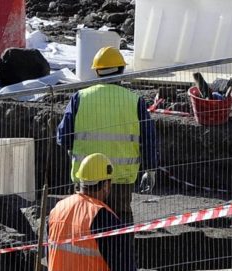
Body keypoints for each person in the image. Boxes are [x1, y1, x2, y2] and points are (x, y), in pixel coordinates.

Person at [57, 46, 158, 226]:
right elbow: (148, 138)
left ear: (97, 71)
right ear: (121, 70)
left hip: (86, 180)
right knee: (120, 227)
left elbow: (63, 137)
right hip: (120, 180)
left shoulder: (79, 98)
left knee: (85, 225)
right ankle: (122, 254)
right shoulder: (135, 101)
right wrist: (150, 169)